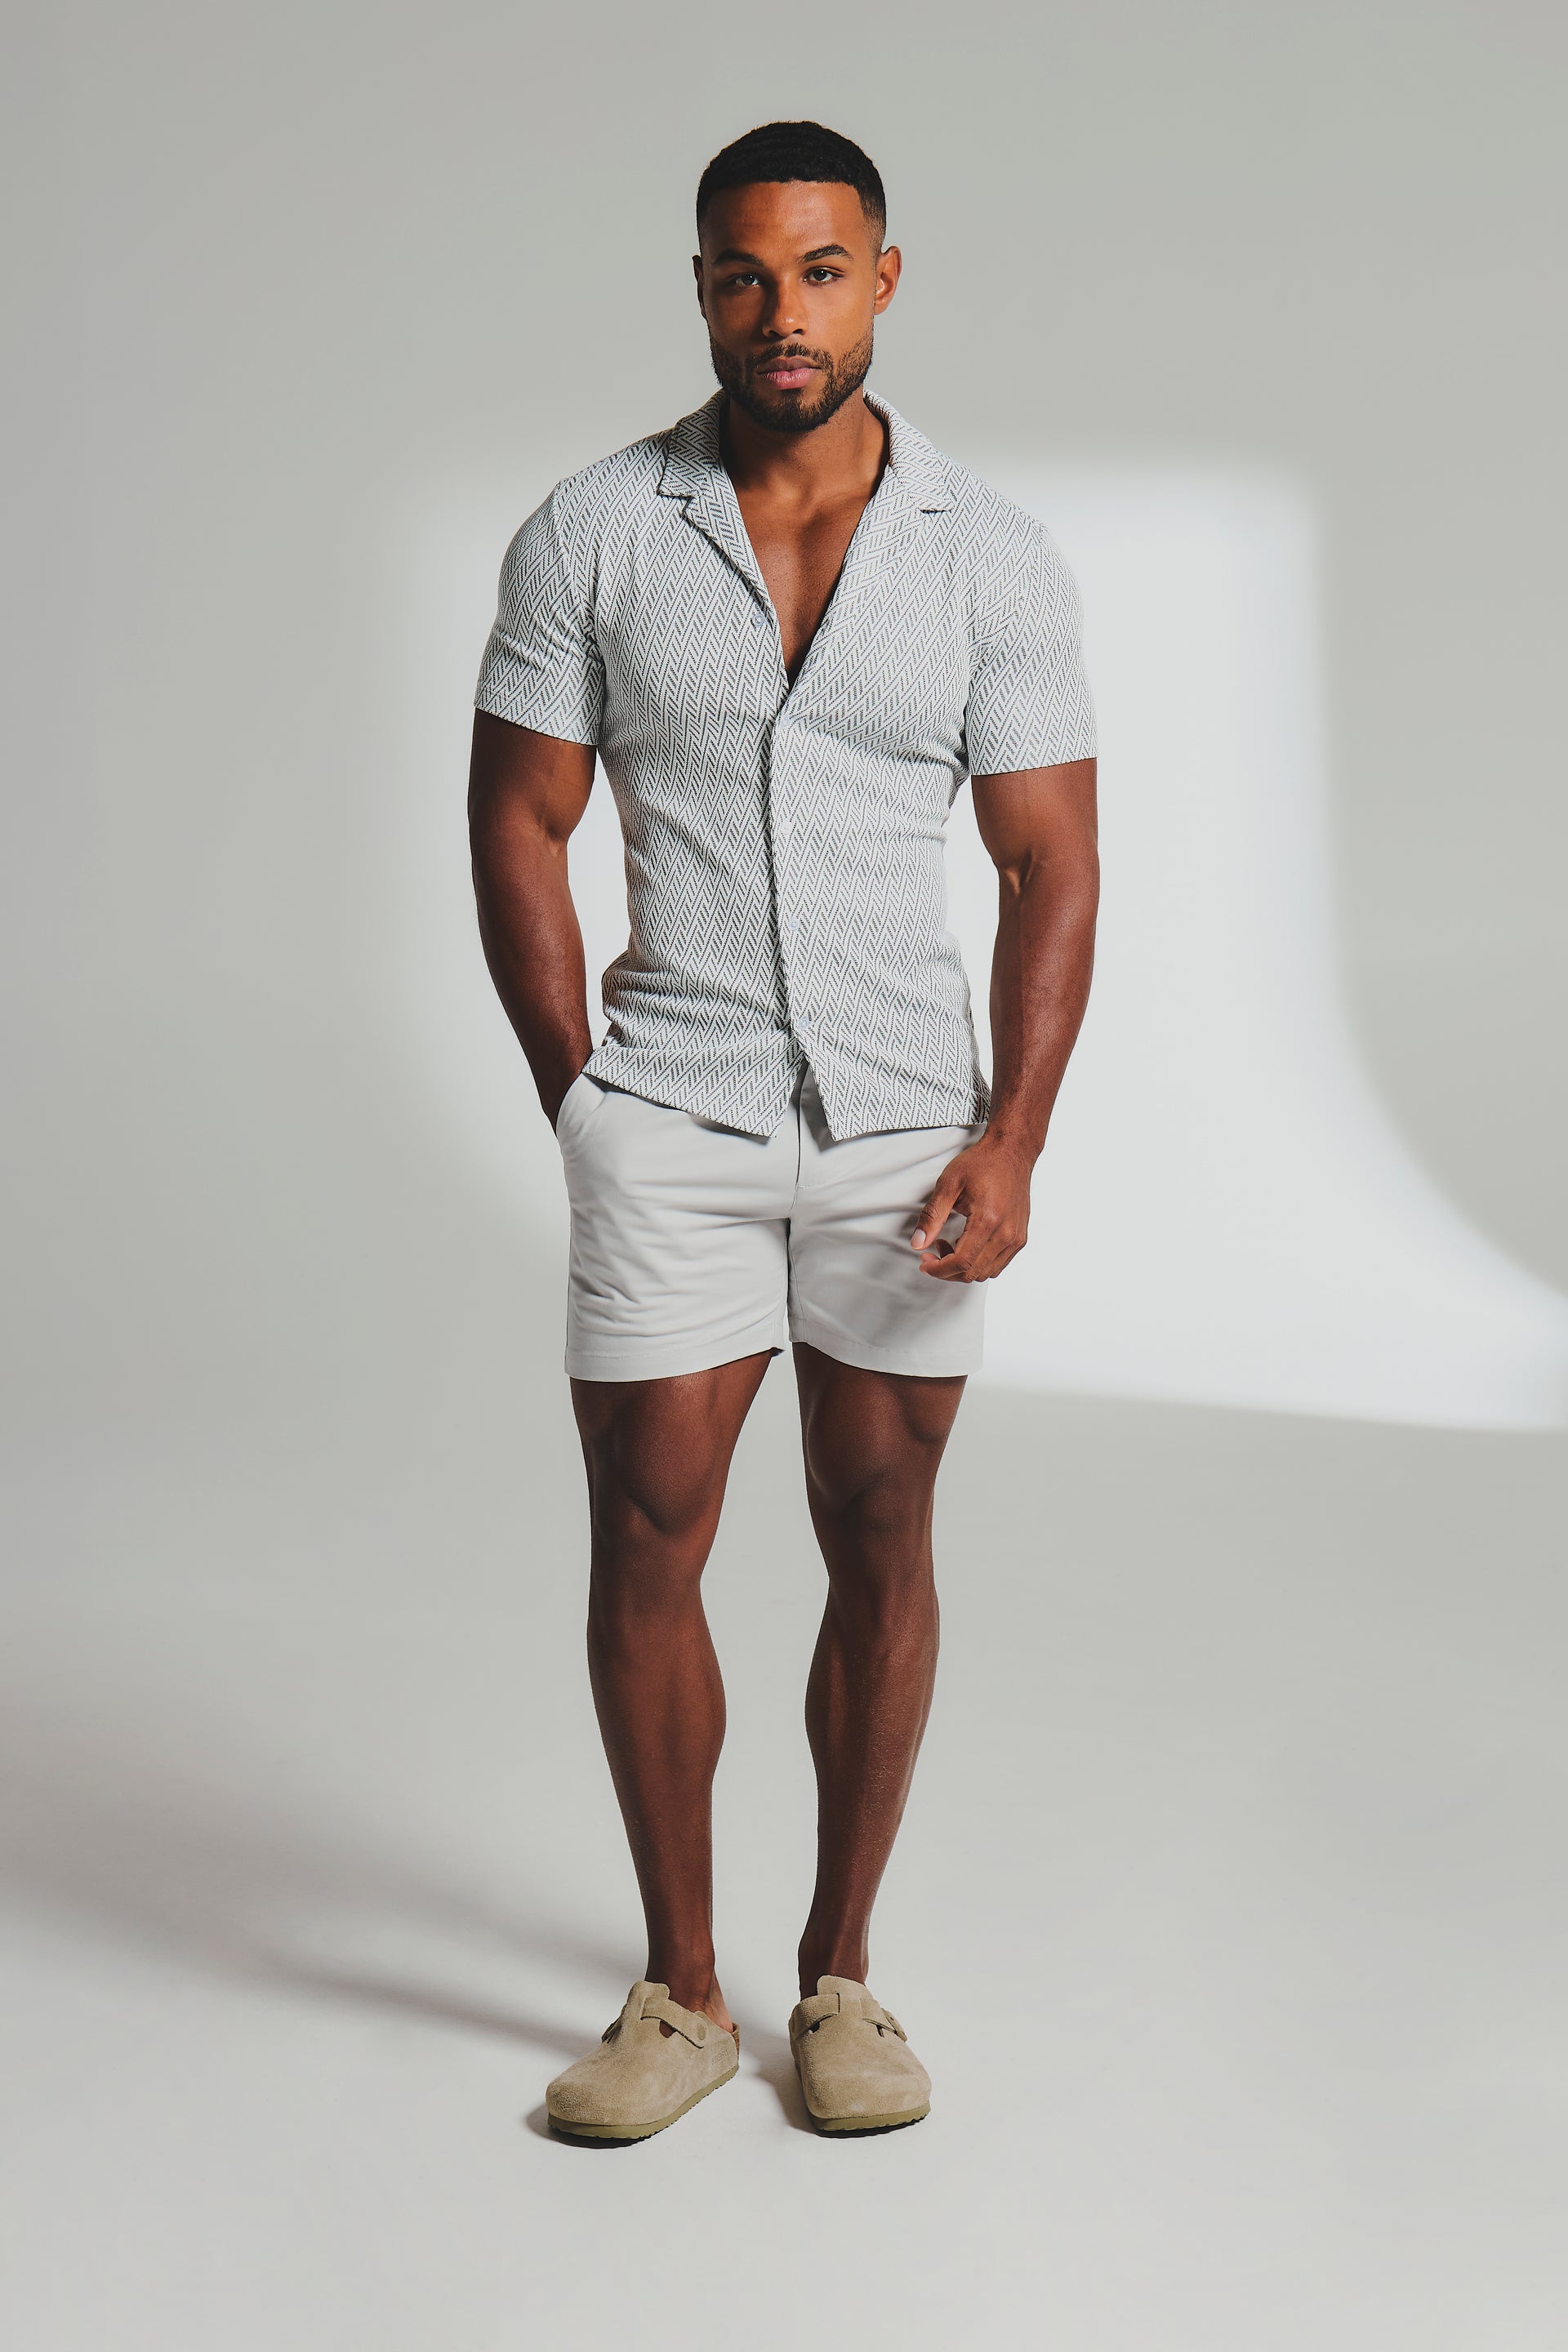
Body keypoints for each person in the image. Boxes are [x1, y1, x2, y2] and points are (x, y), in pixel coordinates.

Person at [468, 119, 1098, 2142]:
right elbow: (519, 819)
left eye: (821, 271)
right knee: (649, 1525)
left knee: (882, 1522)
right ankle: (680, 1995)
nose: (783, 313)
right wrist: (579, 1095)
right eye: (745, 275)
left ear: (883, 280)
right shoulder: (592, 532)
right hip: (675, 1103)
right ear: (702, 290)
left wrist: (1014, 1136)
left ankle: (840, 1976)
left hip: (910, 1124)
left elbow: (1050, 866)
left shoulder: (992, 553)